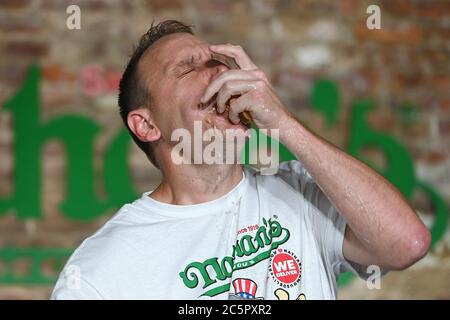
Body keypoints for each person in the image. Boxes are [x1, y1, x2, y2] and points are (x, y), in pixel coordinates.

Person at [51, 20, 430, 300]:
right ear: (147, 124)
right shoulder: (99, 274)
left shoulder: (299, 192)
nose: (218, 70)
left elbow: (407, 244)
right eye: (187, 68)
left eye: (218, 63)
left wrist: (283, 123)